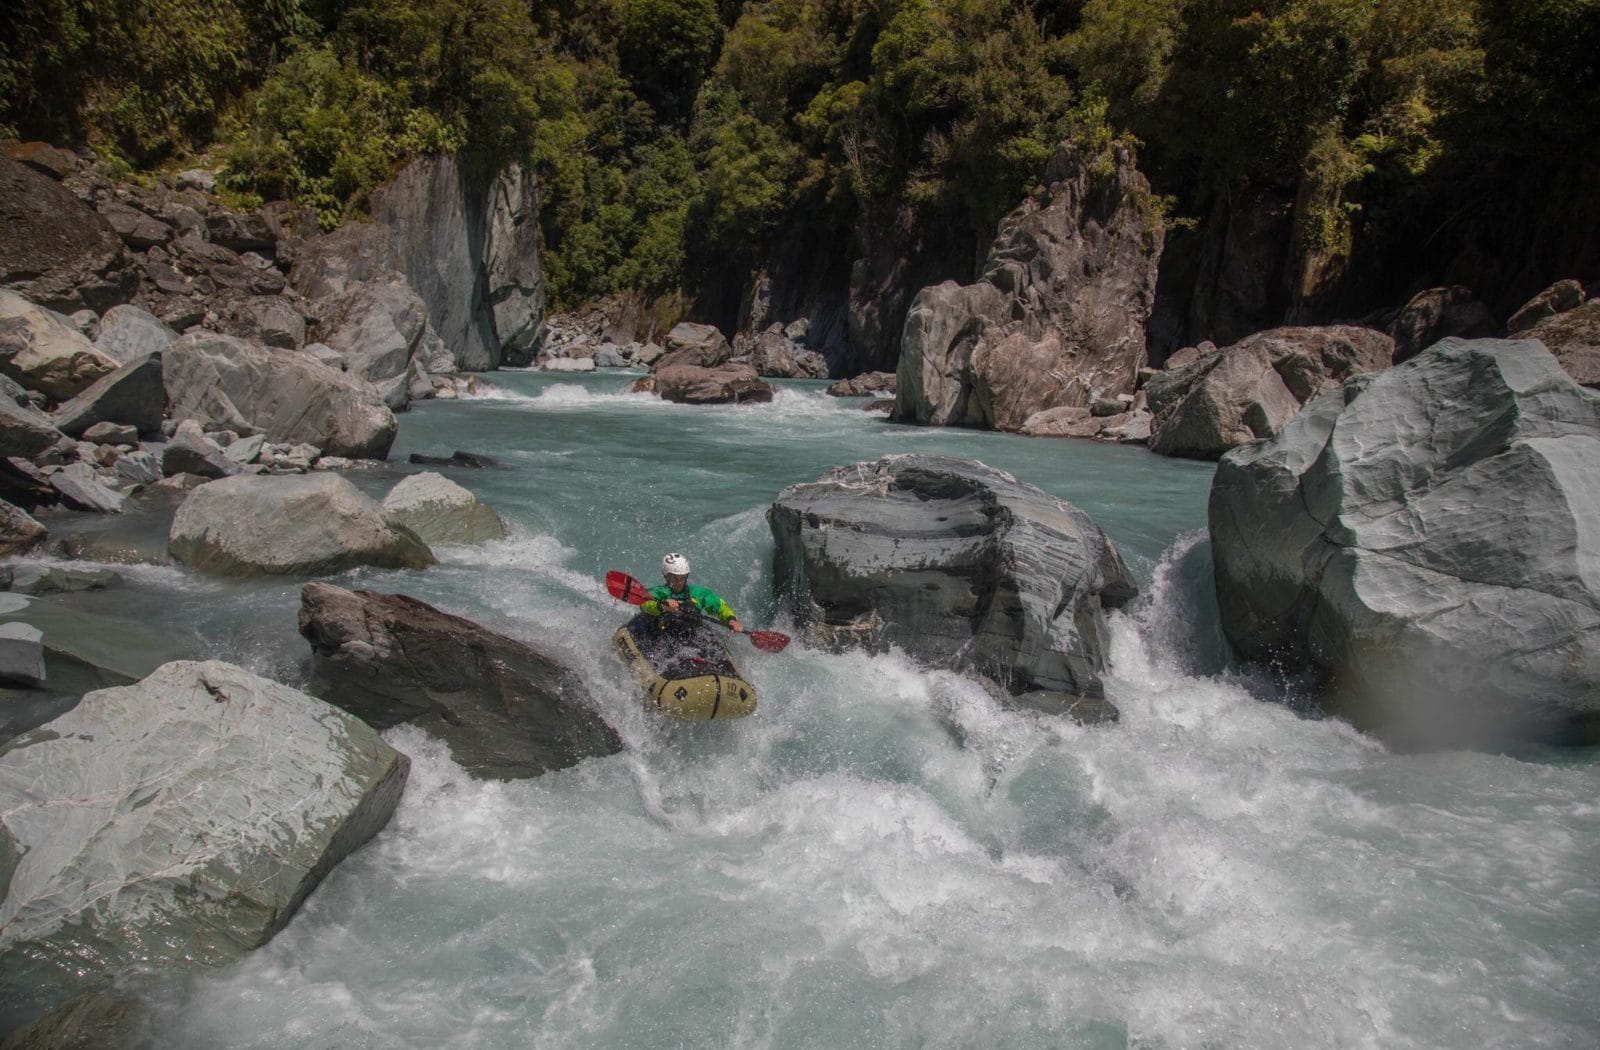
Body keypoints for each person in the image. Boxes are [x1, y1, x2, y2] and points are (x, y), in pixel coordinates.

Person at [641, 552, 744, 634]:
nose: (679, 582)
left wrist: (731, 620)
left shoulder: (698, 593)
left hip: (689, 633)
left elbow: (720, 606)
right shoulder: (659, 592)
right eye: (675, 578)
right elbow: (644, 604)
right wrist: (661, 605)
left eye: (682, 578)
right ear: (666, 577)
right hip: (661, 633)